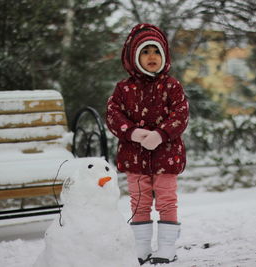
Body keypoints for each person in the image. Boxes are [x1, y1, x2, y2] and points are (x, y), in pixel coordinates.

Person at [106, 23, 189, 265]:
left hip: (167, 155)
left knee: (166, 199)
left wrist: (161, 134)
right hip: (134, 157)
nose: (151, 56)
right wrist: (131, 132)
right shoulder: (123, 89)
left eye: (155, 51)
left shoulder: (172, 86)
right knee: (139, 201)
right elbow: (113, 115)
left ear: (164, 55)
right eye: (144, 51)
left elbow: (181, 114)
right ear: (133, 57)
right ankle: (141, 246)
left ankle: (166, 246)